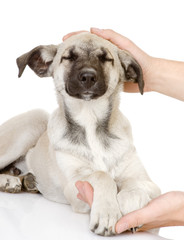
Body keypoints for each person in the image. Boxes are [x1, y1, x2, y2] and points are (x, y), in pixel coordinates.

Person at [63, 28, 184, 234]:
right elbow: (72, 192)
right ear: (45, 65)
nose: (88, 72)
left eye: (104, 59)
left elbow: (148, 187)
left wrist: (132, 199)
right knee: (35, 120)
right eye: (71, 58)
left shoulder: (123, 135)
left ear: (124, 70)